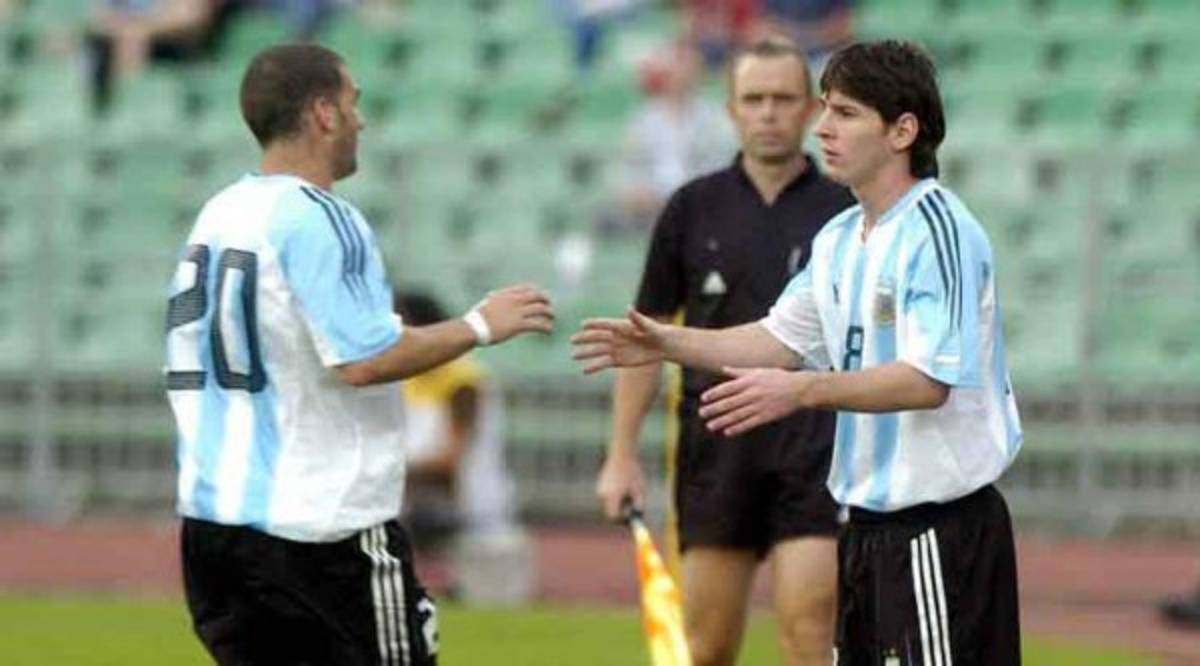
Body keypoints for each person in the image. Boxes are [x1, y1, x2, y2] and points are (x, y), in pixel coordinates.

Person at [575, 39, 1023, 664]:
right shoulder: (840, 236)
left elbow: (928, 381)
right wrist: (667, 340)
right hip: (866, 526)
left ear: (902, 131)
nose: (823, 127)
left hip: (935, 528)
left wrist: (804, 390)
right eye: (826, 108)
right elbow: (778, 339)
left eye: (844, 113)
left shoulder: (938, 230)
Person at [163, 43, 554, 665]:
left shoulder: (218, 215)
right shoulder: (320, 217)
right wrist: (479, 325)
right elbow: (364, 358)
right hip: (320, 529)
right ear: (324, 113)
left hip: (214, 527)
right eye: (353, 102)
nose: (361, 120)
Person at [595, 37, 852, 666]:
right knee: (705, 648)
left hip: (815, 449)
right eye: (754, 99)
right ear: (731, 109)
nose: (768, 113)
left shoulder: (843, 211)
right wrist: (621, 454)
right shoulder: (691, 208)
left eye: (783, 99)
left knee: (810, 635)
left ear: (811, 109)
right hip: (715, 448)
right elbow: (647, 339)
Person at [603, 39, 737, 234]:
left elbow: (721, 168)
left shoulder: (716, 118)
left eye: (688, 68)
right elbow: (628, 170)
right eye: (677, 68)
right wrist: (638, 193)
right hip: (651, 207)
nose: (682, 75)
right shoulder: (643, 121)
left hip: (698, 207)